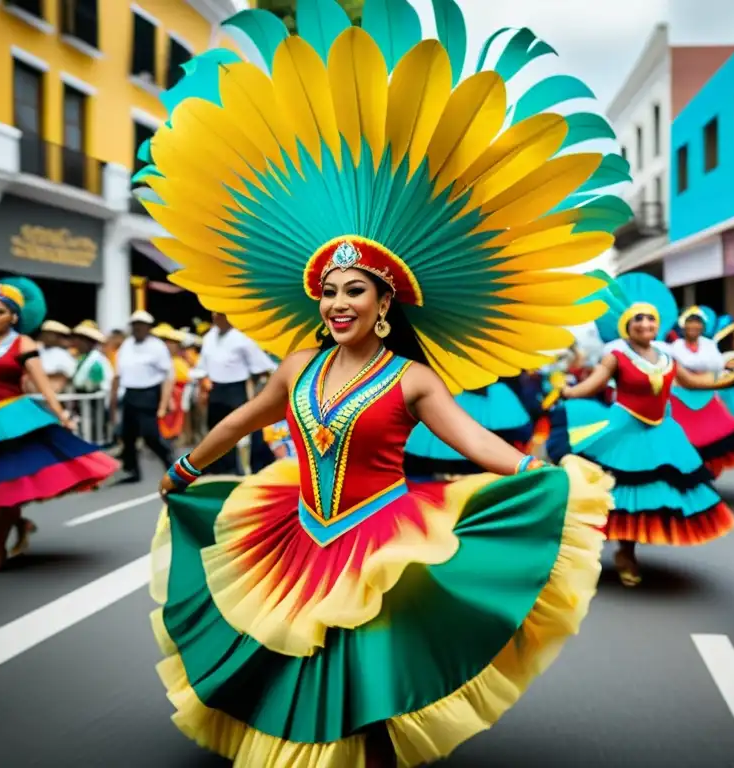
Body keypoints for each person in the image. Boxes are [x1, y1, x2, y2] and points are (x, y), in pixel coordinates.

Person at [138, 2, 630, 763]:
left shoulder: (411, 378)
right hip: (294, 525)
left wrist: (545, 480)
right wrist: (186, 467)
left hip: (385, 536)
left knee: (365, 674)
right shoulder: (298, 365)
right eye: (328, 292)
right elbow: (241, 424)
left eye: (353, 292)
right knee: (293, 656)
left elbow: (477, 445)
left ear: (384, 302)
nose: (336, 304)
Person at [548, 273, 734, 587]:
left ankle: (627, 548)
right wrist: (567, 392)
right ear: (627, 325)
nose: (645, 324)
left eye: (650, 319)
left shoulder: (668, 356)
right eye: (638, 319)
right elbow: (593, 384)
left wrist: (727, 381)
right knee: (615, 491)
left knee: (649, 493)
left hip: (660, 432)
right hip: (623, 429)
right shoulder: (617, 356)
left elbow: (693, 382)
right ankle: (618, 550)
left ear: (658, 324)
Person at [0, 279, 118, 574]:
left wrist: (62, 416)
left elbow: (43, 386)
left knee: (4, 486)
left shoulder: (22, 343)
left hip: (10, 424)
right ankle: (21, 524)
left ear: (14, 317)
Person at [668, 306, 734, 477]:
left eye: (698, 322)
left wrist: (731, 371)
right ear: (683, 325)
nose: (694, 326)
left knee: (717, 435)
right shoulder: (674, 347)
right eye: (690, 322)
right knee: (684, 440)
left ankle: (704, 476)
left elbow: (718, 367)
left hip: (707, 395)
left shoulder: (709, 345)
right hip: (680, 396)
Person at [194, 312, 276, 474]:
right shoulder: (210, 337)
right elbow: (201, 367)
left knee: (250, 430)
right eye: (213, 314)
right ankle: (225, 471)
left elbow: (261, 367)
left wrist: (258, 392)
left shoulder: (242, 337)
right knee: (218, 433)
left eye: (219, 314)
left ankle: (260, 468)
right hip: (216, 389)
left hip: (237, 390)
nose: (215, 317)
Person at [404, 381, 534, 481]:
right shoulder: (500, 393)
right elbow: (522, 433)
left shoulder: (426, 389)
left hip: (423, 471)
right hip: (482, 475)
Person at [111, 310, 174, 484]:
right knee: (128, 436)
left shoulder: (157, 346)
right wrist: (114, 400)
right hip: (130, 393)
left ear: (148, 327)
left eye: (141, 325)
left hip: (149, 394)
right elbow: (117, 374)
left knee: (150, 435)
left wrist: (163, 404)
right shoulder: (127, 345)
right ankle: (132, 470)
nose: (137, 328)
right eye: (135, 325)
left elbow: (167, 376)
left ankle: (170, 463)